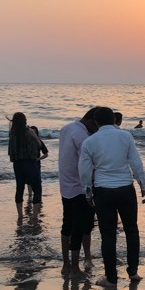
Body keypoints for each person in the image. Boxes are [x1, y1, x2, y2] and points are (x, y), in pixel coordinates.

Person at [78, 107, 145, 288]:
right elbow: (136, 162)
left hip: (103, 190)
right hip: (126, 188)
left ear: (96, 122)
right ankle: (133, 272)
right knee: (132, 230)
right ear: (114, 120)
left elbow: (84, 170)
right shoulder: (126, 136)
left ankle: (111, 278)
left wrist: (87, 191)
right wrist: (142, 184)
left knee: (108, 234)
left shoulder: (90, 141)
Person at [58, 109, 98, 276]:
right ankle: (75, 267)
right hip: (79, 187)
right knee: (78, 226)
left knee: (67, 224)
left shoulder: (66, 128)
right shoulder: (83, 138)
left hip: (65, 184)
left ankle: (66, 264)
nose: (97, 130)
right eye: (97, 126)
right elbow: (87, 165)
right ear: (91, 121)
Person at [7, 113, 43, 219]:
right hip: (30, 163)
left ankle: (20, 215)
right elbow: (39, 144)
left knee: (19, 188)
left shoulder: (12, 133)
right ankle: (35, 216)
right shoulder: (29, 131)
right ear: (24, 121)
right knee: (37, 188)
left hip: (17, 164)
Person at [26, 126, 49, 202]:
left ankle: (37, 195)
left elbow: (46, 154)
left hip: (36, 164)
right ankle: (30, 195)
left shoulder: (39, 141)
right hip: (28, 163)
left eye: (35, 132)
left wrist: (38, 159)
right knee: (28, 180)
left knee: (37, 180)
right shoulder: (26, 141)